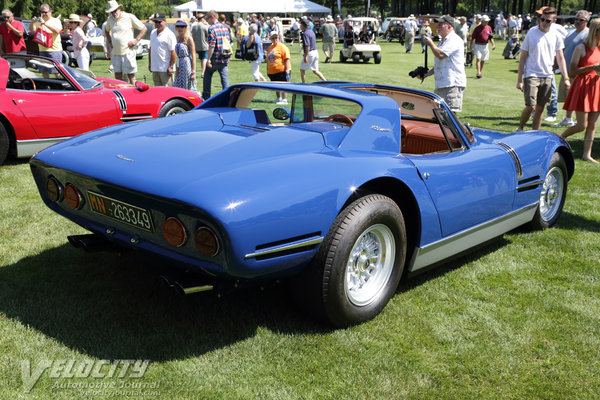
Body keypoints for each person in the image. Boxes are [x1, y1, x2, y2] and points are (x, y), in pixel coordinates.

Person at [515, 7, 570, 132]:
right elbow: (522, 57)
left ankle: (535, 133)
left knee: (540, 108)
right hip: (531, 74)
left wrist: (566, 78)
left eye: (547, 21)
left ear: (554, 21)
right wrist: (519, 80)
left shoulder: (556, 35)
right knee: (530, 106)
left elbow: (560, 58)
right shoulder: (531, 33)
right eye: (542, 19)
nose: (544, 23)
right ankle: (520, 128)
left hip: (547, 76)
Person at [560, 18, 600, 163]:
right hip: (583, 86)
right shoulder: (581, 48)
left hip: (597, 87)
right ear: (595, 31)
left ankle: (586, 155)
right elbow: (572, 72)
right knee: (581, 125)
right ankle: (560, 138)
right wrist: (592, 67)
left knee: (592, 124)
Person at [418, 16, 467, 112]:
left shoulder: (454, 40)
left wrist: (431, 44)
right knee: (440, 115)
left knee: (449, 116)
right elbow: (439, 64)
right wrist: (426, 75)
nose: (438, 27)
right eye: (438, 25)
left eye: (441, 25)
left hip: (452, 84)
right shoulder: (443, 41)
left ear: (449, 26)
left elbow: (440, 54)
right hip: (443, 84)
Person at [554, 10, 591, 127]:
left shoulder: (589, 34)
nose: (578, 22)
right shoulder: (570, 33)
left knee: (578, 98)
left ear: (587, 21)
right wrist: (555, 65)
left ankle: (581, 120)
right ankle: (568, 118)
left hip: (580, 71)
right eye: (576, 19)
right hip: (567, 71)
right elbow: (563, 51)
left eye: (581, 20)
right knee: (568, 96)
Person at [104, 0, 147, 85]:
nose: (113, 13)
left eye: (115, 10)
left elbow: (144, 28)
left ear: (119, 8)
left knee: (131, 75)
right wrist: (109, 41)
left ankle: (134, 95)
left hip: (127, 52)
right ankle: (122, 94)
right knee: (117, 76)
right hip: (116, 52)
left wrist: (136, 40)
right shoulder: (110, 19)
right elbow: (106, 30)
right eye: (111, 11)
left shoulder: (129, 17)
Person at [203, 10, 230, 101]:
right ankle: (227, 97)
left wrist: (208, 59)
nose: (207, 21)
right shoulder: (225, 28)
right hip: (224, 57)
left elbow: (212, 45)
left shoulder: (211, 28)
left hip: (215, 58)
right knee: (224, 79)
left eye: (207, 18)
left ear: (212, 17)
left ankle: (206, 97)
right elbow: (228, 43)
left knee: (207, 76)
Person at [148, 12, 176, 87]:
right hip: (155, 67)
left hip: (165, 69)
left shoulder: (169, 34)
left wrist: (171, 66)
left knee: (168, 91)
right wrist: (150, 64)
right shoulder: (153, 32)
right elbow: (150, 49)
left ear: (165, 21)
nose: (157, 24)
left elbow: (173, 52)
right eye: (155, 22)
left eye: (159, 22)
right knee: (157, 91)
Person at [266, 32, 291, 104]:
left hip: (281, 70)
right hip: (272, 71)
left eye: (276, 37)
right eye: (273, 38)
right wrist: (268, 70)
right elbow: (268, 60)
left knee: (283, 84)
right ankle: (279, 98)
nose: (275, 39)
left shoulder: (282, 47)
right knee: (275, 85)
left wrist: (287, 69)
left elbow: (287, 58)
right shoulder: (270, 47)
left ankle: (284, 99)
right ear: (270, 39)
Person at [299, 19, 325, 83]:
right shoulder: (311, 31)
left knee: (302, 70)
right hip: (315, 52)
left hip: (310, 53)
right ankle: (325, 81)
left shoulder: (305, 33)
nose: (300, 26)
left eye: (301, 25)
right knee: (315, 71)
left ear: (303, 25)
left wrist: (306, 55)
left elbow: (307, 45)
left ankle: (303, 84)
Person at [174, 20, 196, 91]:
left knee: (186, 86)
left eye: (182, 27)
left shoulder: (189, 39)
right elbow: (178, 56)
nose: (180, 28)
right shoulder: (178, 38)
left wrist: (193, 72)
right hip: (179, 64)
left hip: (186, 64)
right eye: (178, 26)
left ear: (186, 28)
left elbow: (193, 55)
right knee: (177, 86)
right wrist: (177, 69)